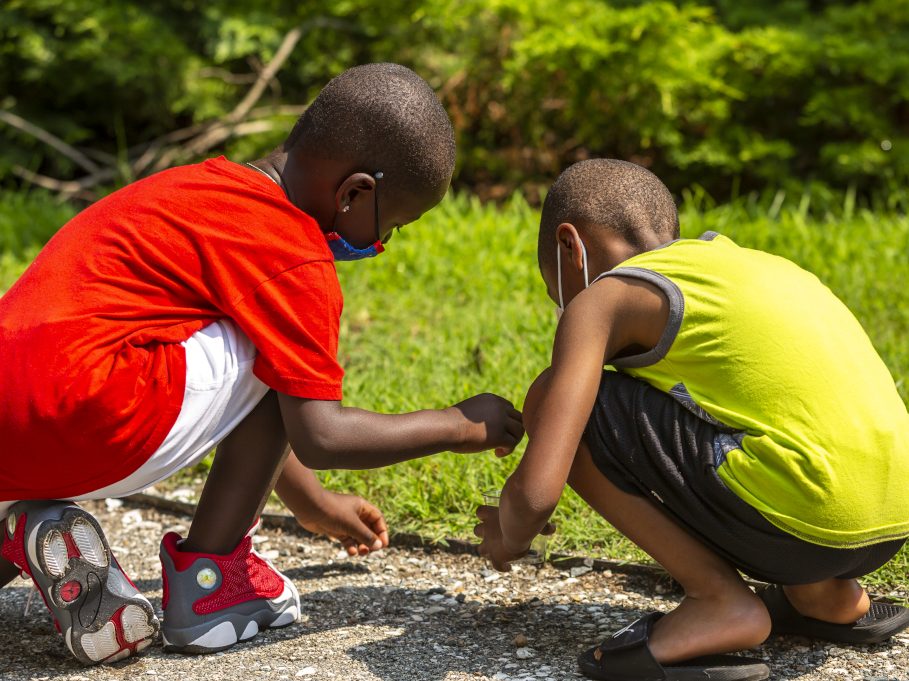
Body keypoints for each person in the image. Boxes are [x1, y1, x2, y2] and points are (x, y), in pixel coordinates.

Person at [0, 63, 523, 665]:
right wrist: (460, 424)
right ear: (355, 193)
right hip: (91, 410)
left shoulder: (198, 186)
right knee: (279, 342)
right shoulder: (292, 252)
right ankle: (212, 583)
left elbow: (238, 396)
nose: (380, 246)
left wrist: (312, 503)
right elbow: (321, 433)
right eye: (391, 226)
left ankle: (27, 528)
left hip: (17, 414)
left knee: (260, 341)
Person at [474, 158, 909, 681]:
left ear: (571, 247)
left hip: (806, 517)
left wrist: (508, 533)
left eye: (555, 290)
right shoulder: (749, 265)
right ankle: (827, 596)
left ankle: (718, 601)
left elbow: (537, 494)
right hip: (890, 519)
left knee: (554, 398)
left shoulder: (603, 298)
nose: (563, 304)